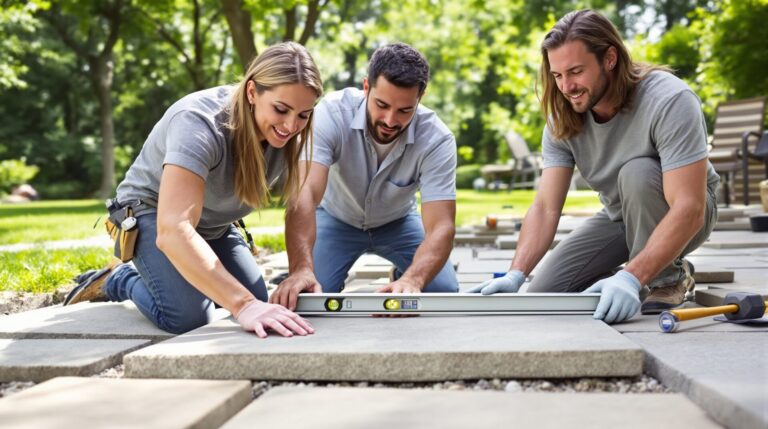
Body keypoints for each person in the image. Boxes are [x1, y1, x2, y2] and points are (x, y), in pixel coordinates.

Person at [469, 10, 719, 324]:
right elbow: (546, 206)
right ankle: (632, 272)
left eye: (575, 71)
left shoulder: (669, 99)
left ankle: (667, 278)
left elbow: (689, 206)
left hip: (685, 211)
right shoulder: (563, 116)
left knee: (637, 172)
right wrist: (516, 274)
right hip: (620, 215)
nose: (566, 86)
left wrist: (631, 278)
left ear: (610, 58)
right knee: (545, 293)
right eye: (557, 75)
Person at [64, 42, 321, 338]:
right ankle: (119, 278)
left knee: (259, 300)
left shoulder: (296, 132)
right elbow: (174, 228)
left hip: (213, 226)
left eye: (303, 114)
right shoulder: (199, 123)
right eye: (281, 109)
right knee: (189, 316)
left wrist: (301, 269)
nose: (291, 126)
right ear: (252, 92)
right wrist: (243, 304)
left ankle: (179, 276)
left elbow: (300, 204)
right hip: (150, 212)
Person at [270, 42, 459, 310]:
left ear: (421, 97)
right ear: (366, 87)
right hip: (336, 218)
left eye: (405, 110)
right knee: (310, 297)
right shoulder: (331, 114)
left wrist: (413, 279)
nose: (391, 120)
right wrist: (300, 268)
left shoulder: (437, 139)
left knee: (442, 291)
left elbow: (442, 225)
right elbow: (304, 194)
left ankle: (401, 275)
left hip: (399, 222)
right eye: (382, 104)